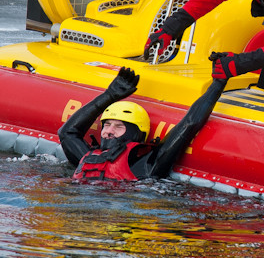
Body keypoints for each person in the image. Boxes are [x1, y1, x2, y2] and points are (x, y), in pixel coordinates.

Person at [59, 66, 219, 180]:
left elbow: (188, 125)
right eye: (106, 125)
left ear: (136, 133)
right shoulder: (85, 157)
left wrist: (218, 83)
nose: (109, 131)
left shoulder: (146, 165)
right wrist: (110, 95)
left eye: (119, 126)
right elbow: (66, 133)